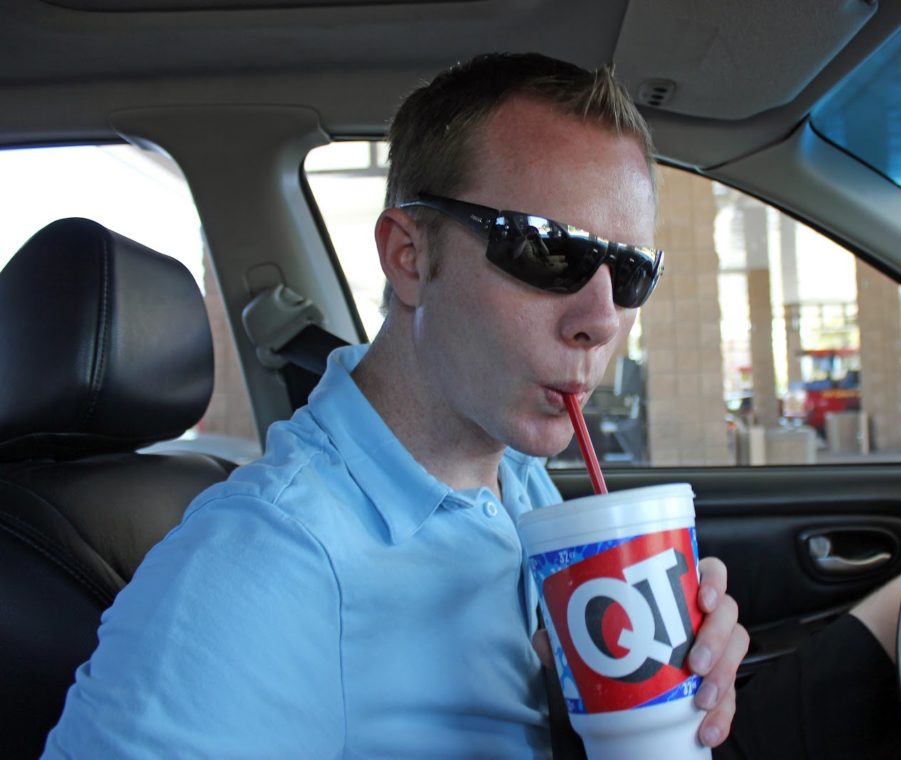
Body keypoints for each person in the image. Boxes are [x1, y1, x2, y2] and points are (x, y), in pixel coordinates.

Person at [44, 52, 748, 757]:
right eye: (548, 251)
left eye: (629, 271)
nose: (601, 318)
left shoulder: (514, 478)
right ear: (409, 257)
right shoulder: (263, 565)